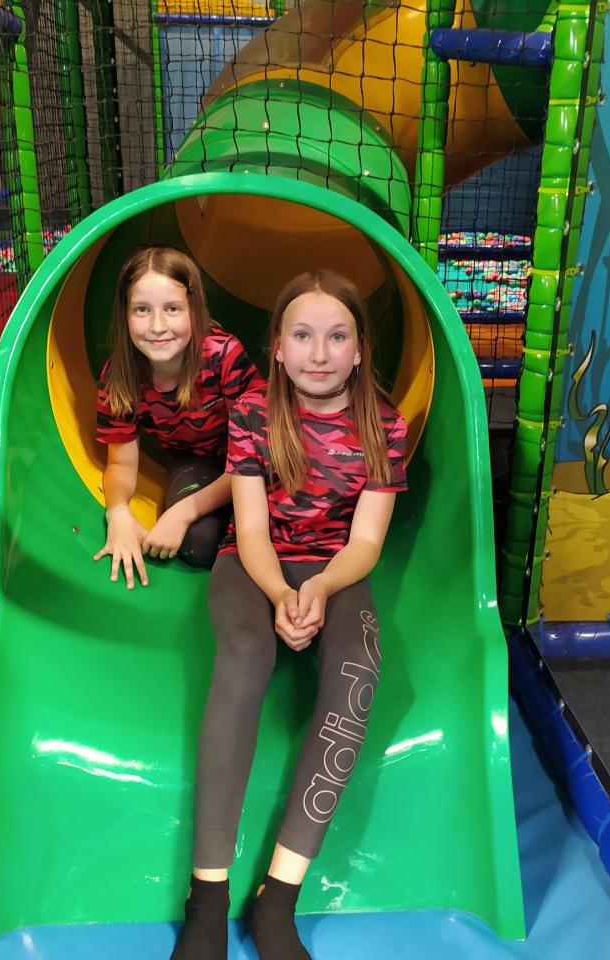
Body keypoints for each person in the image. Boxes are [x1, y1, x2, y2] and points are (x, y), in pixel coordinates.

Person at [172, 270, 409, 960]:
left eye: (337, 337)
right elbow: (249, 529)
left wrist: (321, 589)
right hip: (254, 565)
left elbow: (366, 542)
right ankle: (207, 898)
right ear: (277, 347)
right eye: (302, 336)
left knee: (359, 669)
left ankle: (277, 898)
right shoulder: (253, 413)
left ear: (360, 350)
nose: (319, 353)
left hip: (336, 567)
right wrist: (280, 594)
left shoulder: (385, 426)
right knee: (245, 656)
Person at [93, 246, 263, 586]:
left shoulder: (222, 355)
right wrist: (118, 512)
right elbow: (122, 465)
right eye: (142, 310)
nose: (158, 326)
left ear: (193, 310)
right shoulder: (120, 377)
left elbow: (256, 455)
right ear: (125, 314)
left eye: (172, 309)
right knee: (198, 543)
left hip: (255, 461)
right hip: (194, 462)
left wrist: (183, 512)